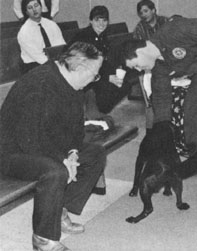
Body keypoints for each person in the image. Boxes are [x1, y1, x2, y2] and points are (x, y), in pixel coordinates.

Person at [0, 41, 106, 251]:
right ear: (78, 66)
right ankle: (43, 238)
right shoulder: (38, 84)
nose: (95, 78)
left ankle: (58, 209)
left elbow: (76, 128)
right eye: (95, 73)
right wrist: (63, 159)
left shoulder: (75, 85)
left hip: (45, 146)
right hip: (12, 152)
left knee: (95, 154)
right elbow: (29, 138)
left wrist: (73, 152)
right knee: (55, 172)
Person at [121, 14, 197, 177]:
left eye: (137, 65)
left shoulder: (173, 31)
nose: (140, 70)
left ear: (140, 51)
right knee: (192, 104)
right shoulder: (158, 66)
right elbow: (161, 96)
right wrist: (162, 128)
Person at [68, 5, 131, 116]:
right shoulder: (84, 37)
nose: (101, 24)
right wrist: (107, 77)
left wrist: (115, 71)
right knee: (107, 86)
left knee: (125, 83)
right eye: (97, 20)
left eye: (104, 20)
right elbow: (85, 65)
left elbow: (104, 60)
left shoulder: (102, 36)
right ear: (91, 21)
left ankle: (102, 111)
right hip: (80, 74)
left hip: (96, 72)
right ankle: (100, 112)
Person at [132, 0, 168, 131]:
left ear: (154, 10)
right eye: (140, 13)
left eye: (146, 11)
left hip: (167, 63)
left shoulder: (165, 22)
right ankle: (150, 131)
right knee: (151, 101)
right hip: (149, 67)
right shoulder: (140, 28)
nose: (143, 15)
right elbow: (136, 50)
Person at [17, 0, 65, 74]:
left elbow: (60, 45)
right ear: (26, 12)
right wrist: (56, 66)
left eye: (36, 6)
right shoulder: (24, 32)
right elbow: (38, 56)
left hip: (54, 61)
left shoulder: (51, 24)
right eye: (30, 8)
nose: (34, 9)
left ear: (41, 7)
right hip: (34, 65)